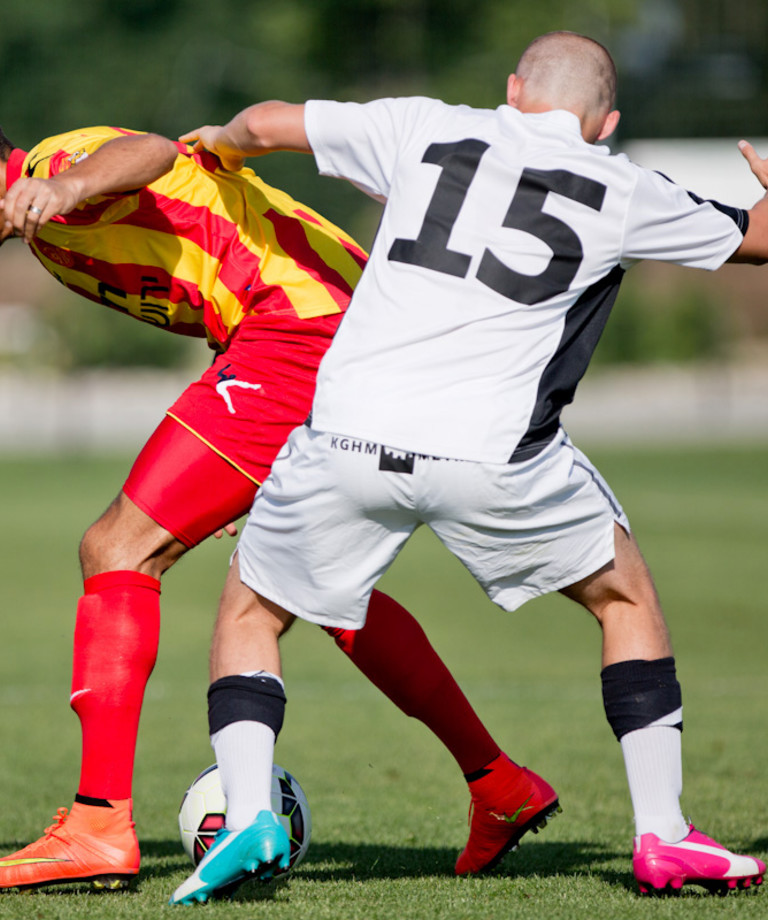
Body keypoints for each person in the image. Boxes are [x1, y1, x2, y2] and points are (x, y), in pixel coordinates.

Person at [169, 31, 768, 904]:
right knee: (624, 600)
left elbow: (264, 123)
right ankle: (664, 837)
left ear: (514, 89)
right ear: (605, 123)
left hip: (346, 436)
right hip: (493, 452)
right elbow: (756, 242)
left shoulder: (425, 125)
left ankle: (253, 814)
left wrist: (215, 145)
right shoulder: (623, 185)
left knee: (251, 613)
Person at [0, 126, 559, 890]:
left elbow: (151, 150)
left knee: (118, 548)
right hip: (336, 338)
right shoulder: (45, 240)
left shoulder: (47, 169)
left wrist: (61, 187)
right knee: (315, 581)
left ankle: (99, 821)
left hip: (298, 333)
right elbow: (208, 255)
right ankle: (500, 786)